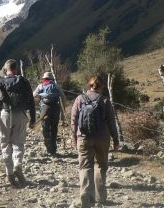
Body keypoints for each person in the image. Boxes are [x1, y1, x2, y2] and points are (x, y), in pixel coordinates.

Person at [71, 76, 119, 208]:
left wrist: (74, 139)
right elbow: (111, 122)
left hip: (84, 138)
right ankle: (101, 197)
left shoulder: (80, 99)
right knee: (100, 166)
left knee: (85, 167)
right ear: (102, 86)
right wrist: (116, 140)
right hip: (102, 138)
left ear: (89, 85)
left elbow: (74, 120)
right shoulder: (105, 100)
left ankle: (85, 194)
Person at [0, 59, 36, 187]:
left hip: (5, 114)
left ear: (5, 69)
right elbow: (31, 101)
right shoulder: (24, 81)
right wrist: (33, 119)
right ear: (16, 69)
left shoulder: (0, 82)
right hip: (21, 114)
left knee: (5, 144)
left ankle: (9, 172)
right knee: (18, 143)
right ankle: (17, 165)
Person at [33, 71, 61, 156]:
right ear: (51, 78)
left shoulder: (41, 85)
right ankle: (54, 149)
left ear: (44, 78)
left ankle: (48, 149)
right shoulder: (56, 86)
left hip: (45, 109)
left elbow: (33, 95)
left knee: (45, 128)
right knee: (54, 128)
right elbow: (62, 96)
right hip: (55, 108)